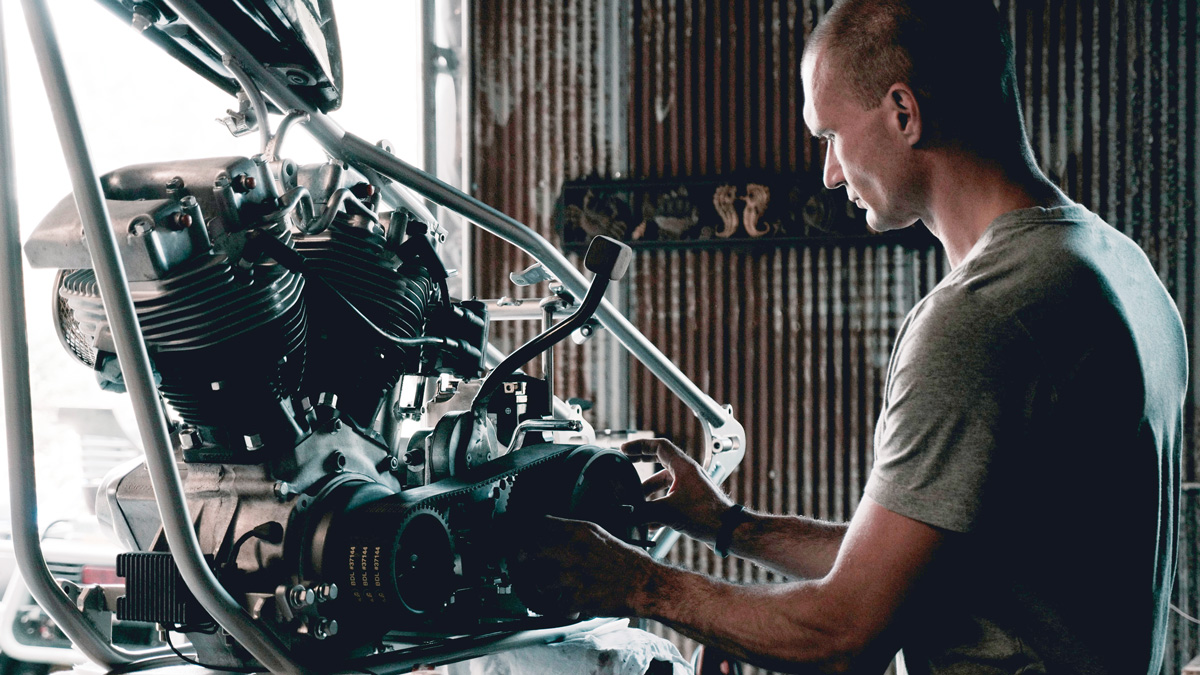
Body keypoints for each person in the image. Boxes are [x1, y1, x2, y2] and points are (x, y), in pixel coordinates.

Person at [518, 0, 1188, 672]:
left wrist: (637, 582)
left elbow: (843, 632)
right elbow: (920, 562)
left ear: (904, 113)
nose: (829, 173)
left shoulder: (981, 317)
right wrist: (729, 525)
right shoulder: (1118, 269)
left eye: (830, 136)